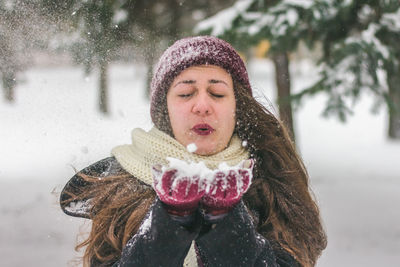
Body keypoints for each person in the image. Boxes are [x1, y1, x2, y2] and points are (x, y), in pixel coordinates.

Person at [60, 36, 327, 267]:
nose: (202, 105)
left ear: (238, 107)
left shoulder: (268, 180)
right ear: (165, 110)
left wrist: (224, 221)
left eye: (218, 93)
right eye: (186, 93)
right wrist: (170, 220)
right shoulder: (121, 183)